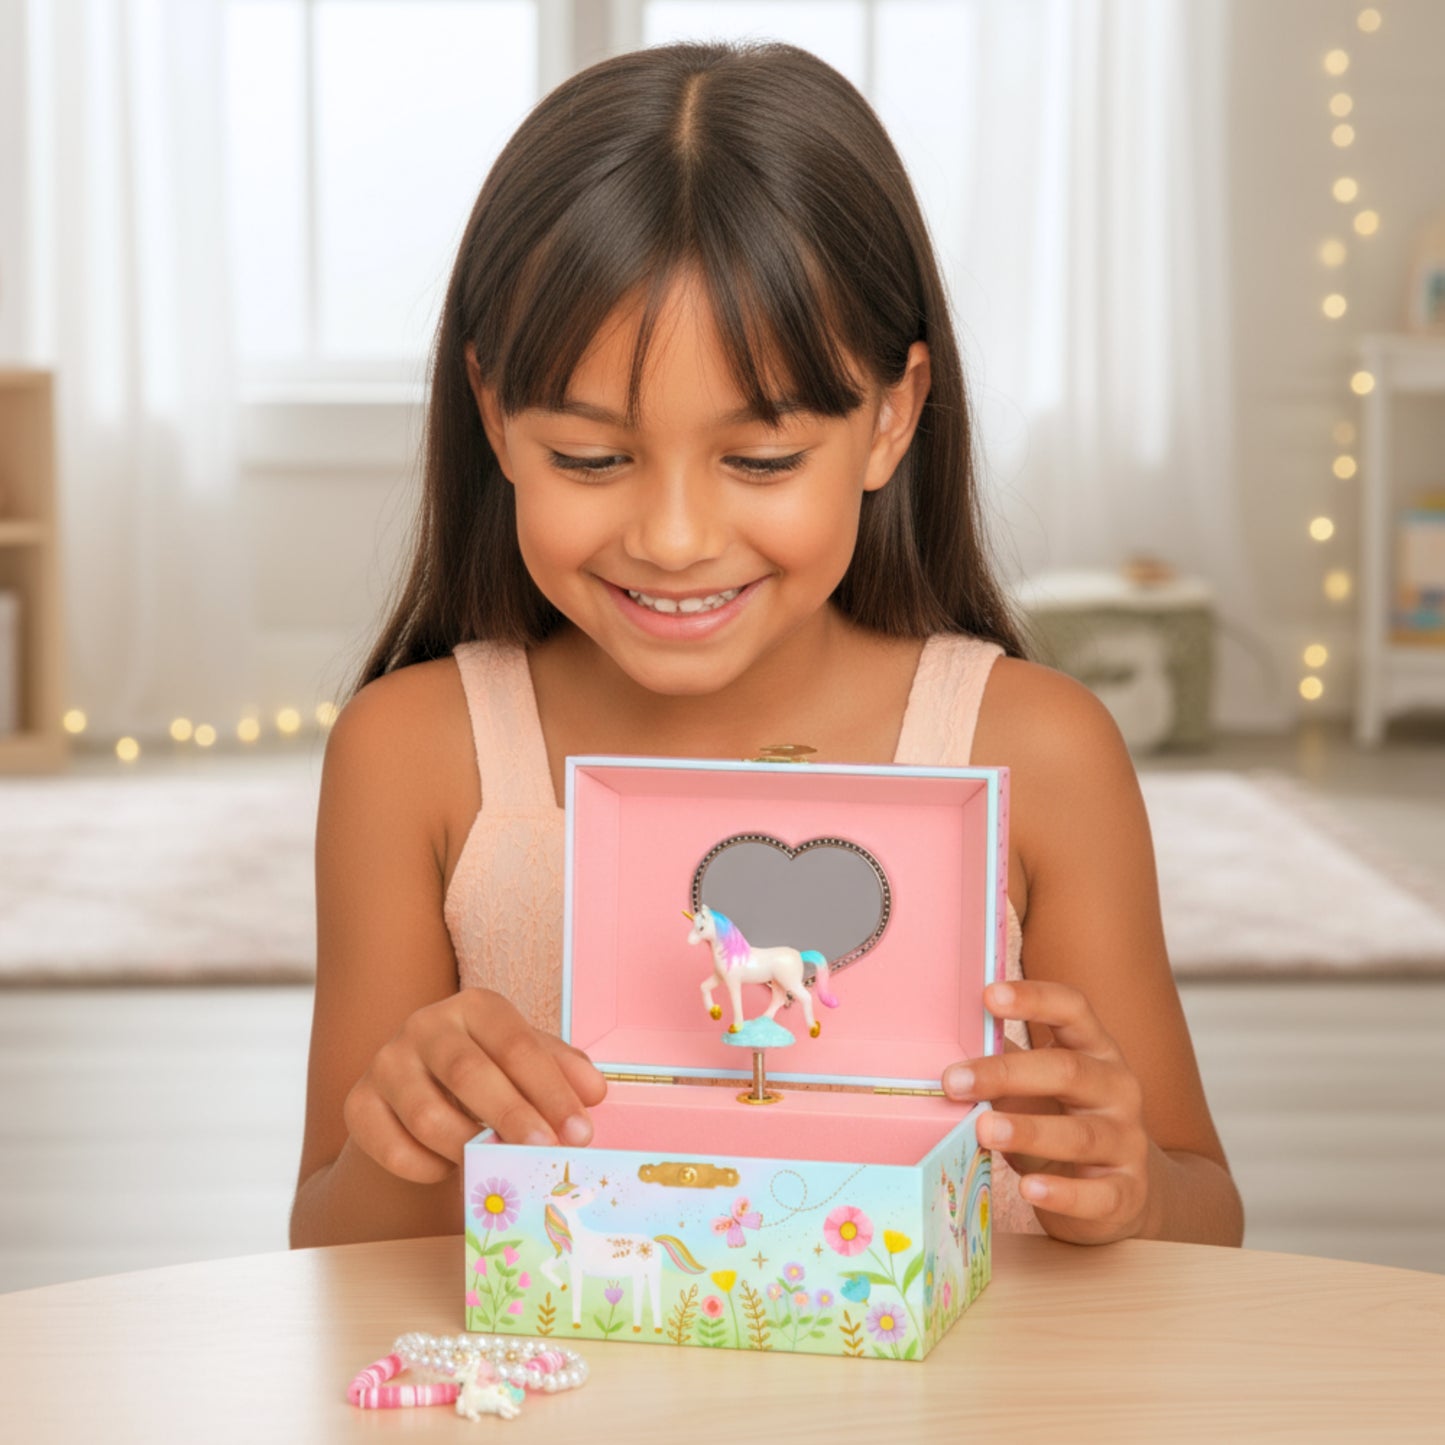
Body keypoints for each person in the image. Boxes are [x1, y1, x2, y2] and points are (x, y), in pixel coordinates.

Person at [289, 40, 1243, 1253]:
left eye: (760, 459)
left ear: (891, 416)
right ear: (493, 415)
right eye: (590, 458)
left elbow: (1203, 1216)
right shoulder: (417, 754)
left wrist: (1133, 1185)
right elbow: (327, 1247)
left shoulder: (1035, 752)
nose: (674, 537)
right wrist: (418, 1133)